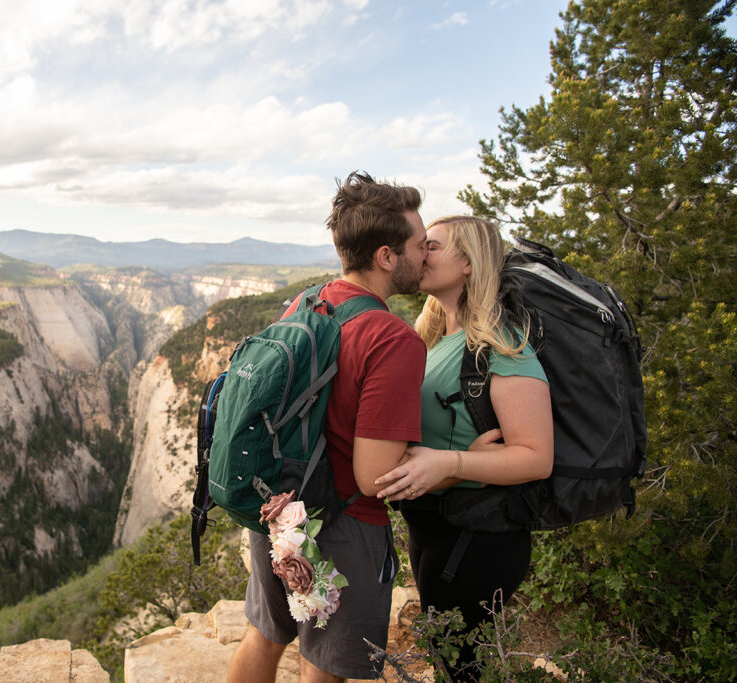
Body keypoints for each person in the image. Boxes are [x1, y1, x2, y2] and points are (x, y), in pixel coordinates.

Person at [227, 171, 428, 683]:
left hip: (280, 509)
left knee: (266, 635)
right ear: (387, 256)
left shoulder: (306, 302)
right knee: (324, 666)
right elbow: (372, 476)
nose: (425, 255)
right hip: (344, 525)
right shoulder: (393, 338)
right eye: (419, 245)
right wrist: (450, 464)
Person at [373, 215, 554, 681]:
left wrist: (454, 461)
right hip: (434, 526)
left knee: (459, 666)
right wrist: (461, 459)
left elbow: (537, 455)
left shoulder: (501, 344)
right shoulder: (434, 338)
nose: (419, 253)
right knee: (451, 659)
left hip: (477, 537)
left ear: (470, 264)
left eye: (431, 245)